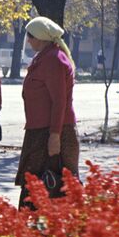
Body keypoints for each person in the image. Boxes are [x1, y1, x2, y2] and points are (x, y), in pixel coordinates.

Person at [16, 16, 80, 208]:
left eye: (30, 35)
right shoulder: (45, 56)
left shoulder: (54, 59)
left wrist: (54, 136)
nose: (28, 39)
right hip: (39, 132)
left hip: (54, 133)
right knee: (36, 186)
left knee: (52, 185)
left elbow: (59, 102)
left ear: (42, 37)